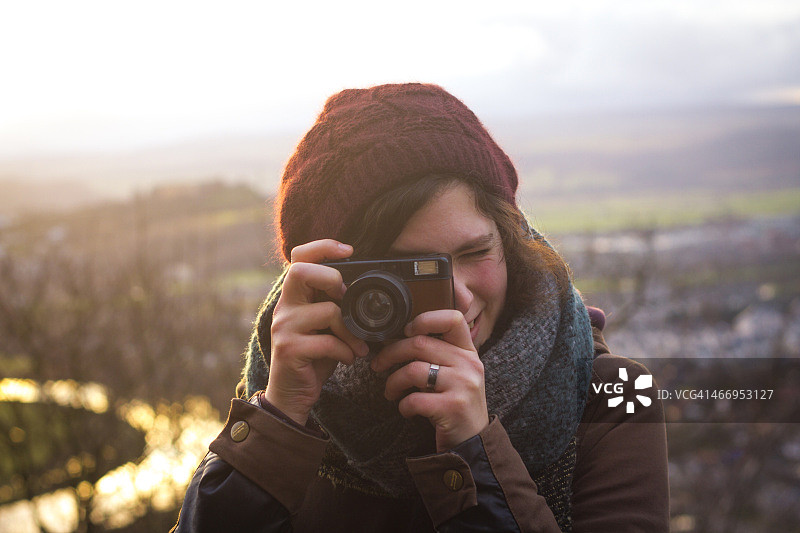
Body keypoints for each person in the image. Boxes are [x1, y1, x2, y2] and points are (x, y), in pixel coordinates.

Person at [172, 83, 669, 532]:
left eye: (475, 253)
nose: (459, 297)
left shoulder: (616, 399)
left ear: (511, 240)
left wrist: (475, 452)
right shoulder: (293, 391)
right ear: (334, 279)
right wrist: (277, 421)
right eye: (408, 272)